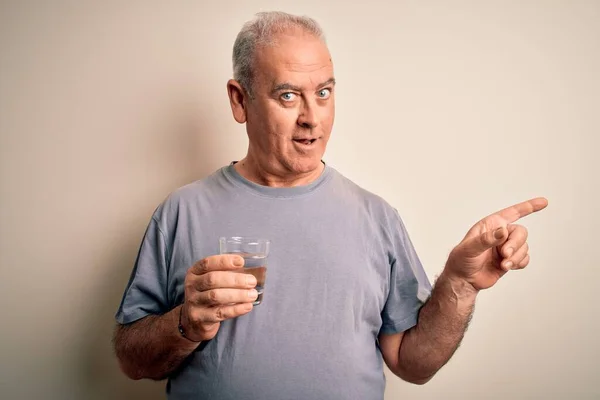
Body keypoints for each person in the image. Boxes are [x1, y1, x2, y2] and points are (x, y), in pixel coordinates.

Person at [113, 11, 548, 400]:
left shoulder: (376, 217)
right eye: (288, 96)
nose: (312, 117)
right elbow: (132, 361)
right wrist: (186, 323)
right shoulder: (181, 212)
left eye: (323, 92)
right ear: (239, 100)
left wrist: (460, 284)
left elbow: (413, 364)